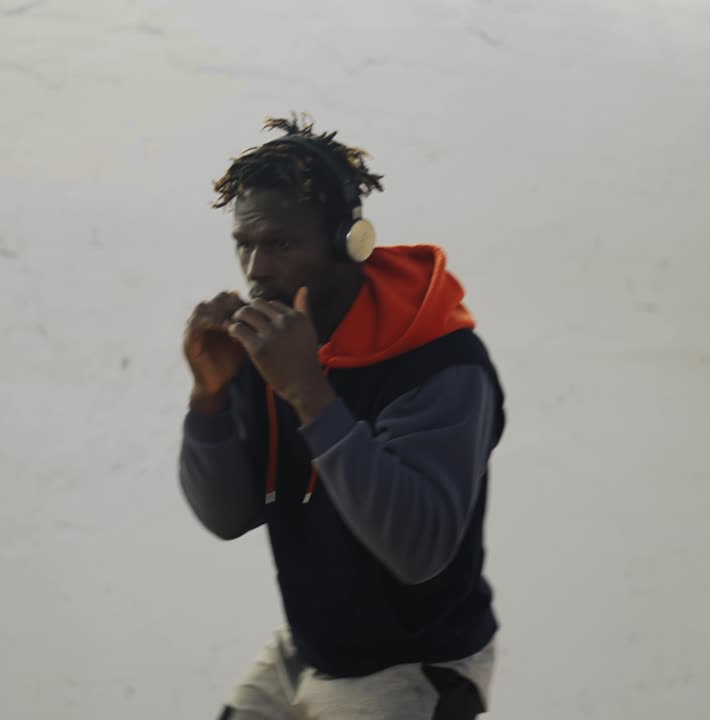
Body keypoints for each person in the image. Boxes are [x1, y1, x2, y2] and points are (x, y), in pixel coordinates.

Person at [179, 115, 506, 719]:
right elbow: (228, 517)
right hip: (311, 646)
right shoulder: (271, 344)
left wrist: (308, 391)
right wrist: (210, 398)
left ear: (350, 242)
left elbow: (419, 548)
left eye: (281, 244)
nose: (256, 269)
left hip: (416, 661)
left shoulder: (438, 361)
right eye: (244, 244)